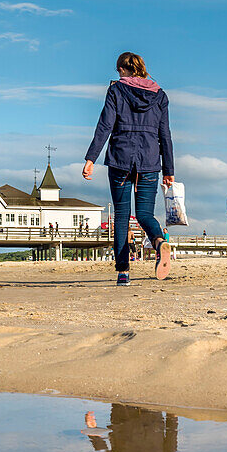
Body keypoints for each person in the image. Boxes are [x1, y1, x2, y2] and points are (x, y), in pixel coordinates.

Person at [84, 52, 174, 286]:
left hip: (120, 158)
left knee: (122, 217)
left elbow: (105, 125)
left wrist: (91, 158)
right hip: (150, 159)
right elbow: (165, 134)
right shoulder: (160, 95)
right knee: (144, 213)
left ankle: (123, 272)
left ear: (123, 70)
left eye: (118, 71)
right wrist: (168, 169)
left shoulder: (116, 90)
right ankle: (158, 241)